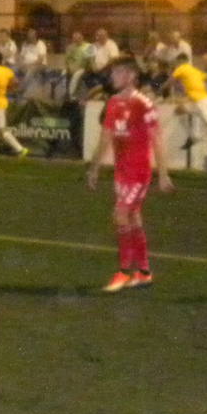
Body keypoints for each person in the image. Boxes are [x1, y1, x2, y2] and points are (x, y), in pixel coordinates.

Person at [85, 55, 173, 292]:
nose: (112, 77)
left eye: (117, 73)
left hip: (139, 171)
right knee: (133, 218)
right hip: (121, 172)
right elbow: (105, 138)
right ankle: (144, 272)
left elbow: (157, 139)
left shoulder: (143, 103)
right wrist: (94, 168)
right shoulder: (113, 102)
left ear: (130, 76)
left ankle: (124, 272)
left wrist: (163, 174)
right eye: (112, 73)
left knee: (121, 214)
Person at [63, 31, 94, 99]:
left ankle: (71, 95)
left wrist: (88, 68)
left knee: (76, 75)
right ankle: (66, 93)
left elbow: (91, 61)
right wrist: (69, 68)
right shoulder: (70, 47)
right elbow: (66, 60)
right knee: (63, 74)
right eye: (74, 39)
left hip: (83, 68)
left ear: (82, 37)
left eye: (78, 38)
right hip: (72, 68)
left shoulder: (89, 46)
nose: (76, 40)